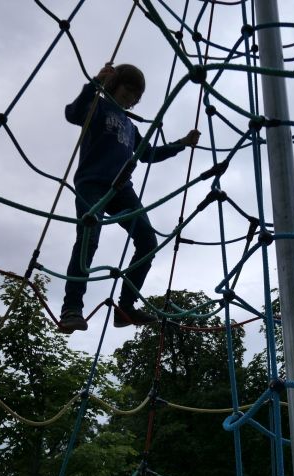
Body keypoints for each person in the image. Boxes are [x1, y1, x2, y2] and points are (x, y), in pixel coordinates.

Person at [59, 64, 200, 334]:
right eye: (128, 90)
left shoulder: (129, 124)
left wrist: (181, 143)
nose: (132, 98)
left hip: (121, 189)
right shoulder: (97, 106)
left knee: (148, 240)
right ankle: (72, 308)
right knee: (89, 238)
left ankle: (125, 307)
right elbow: (73, 113)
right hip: (92, 184)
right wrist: (96, 84)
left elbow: (148, 154)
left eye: (137, 95)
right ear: (115, 86)